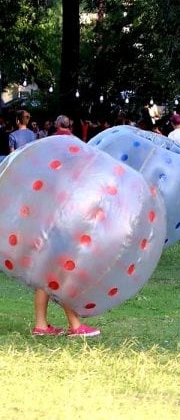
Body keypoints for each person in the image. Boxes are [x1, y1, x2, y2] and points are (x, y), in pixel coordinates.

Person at [8, 118, 101, 337]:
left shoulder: (46, 153)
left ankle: (42, 325)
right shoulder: (75, 154)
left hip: (42, 222)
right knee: (59, 276)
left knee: (46, 275)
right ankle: (75, 326)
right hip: (59, 224)